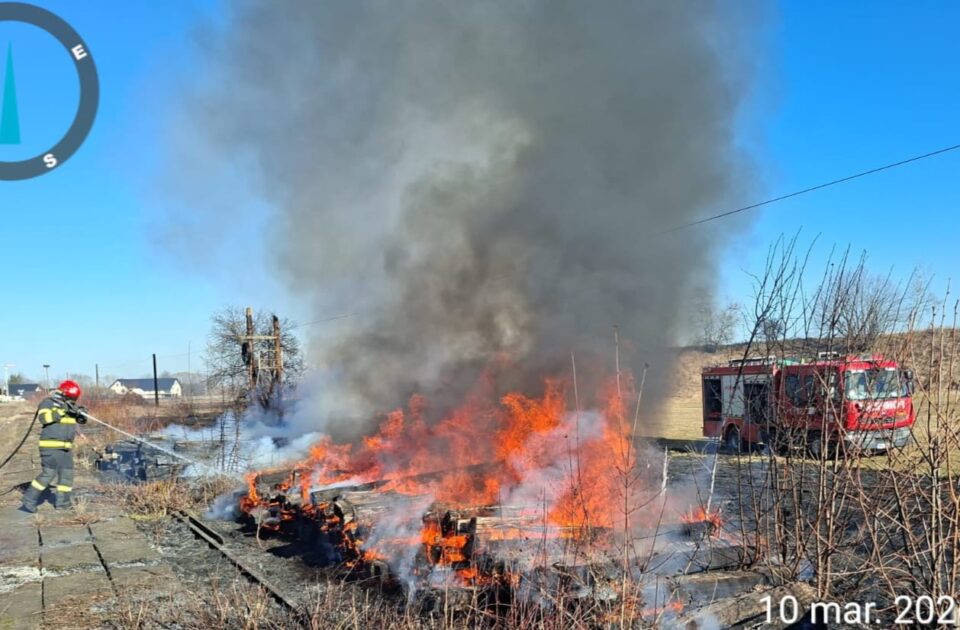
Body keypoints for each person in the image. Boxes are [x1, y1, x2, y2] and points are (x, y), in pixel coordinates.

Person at [19, 380, 88, 513]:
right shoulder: (48, 402)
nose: (73, 400)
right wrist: (63, 410)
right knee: (49, 473)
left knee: (67, 474)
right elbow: (44, 418)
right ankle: (29, 499)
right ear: (63, 393)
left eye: (75, 398)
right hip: (50, 446)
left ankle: (63, 503)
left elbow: (75, 423)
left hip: (65, 448)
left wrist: (81, 415)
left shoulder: (69, 406)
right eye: (72, 397)